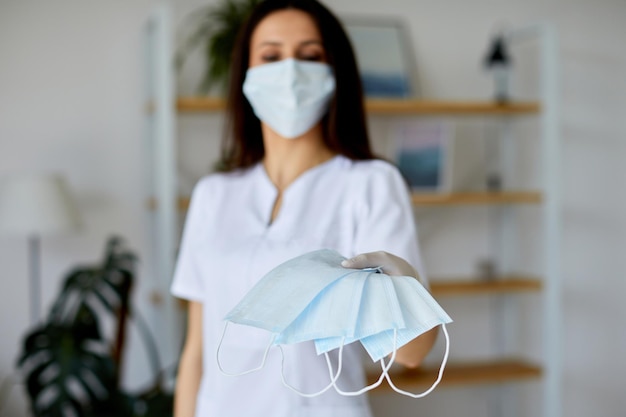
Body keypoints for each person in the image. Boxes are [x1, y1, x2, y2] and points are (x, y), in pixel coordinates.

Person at [171, 1, 439, 416]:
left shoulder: (370, 183)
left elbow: (413, 353)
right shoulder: (213, 195)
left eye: (310, 56)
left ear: (335, 74)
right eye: (271, 56)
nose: (290, 72)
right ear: (246, 73)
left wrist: (403, 283)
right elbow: (195, 351)